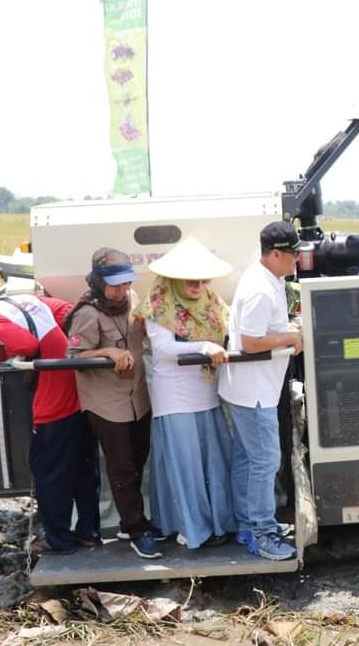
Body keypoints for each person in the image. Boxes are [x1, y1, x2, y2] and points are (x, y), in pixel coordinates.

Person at [0, 294, 99, 554]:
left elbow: (26, 344)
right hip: (75, 378)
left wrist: (16, 354)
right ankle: (89, 533)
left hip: (53, 392)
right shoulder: (20, 300)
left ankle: (59, 540)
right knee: (84, 465)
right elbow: (67, 311)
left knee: (46, 470)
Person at [136, 236, 238, 551]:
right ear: (176, 277)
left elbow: (230, 329)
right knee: (186, 466)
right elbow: (164, 349)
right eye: (191, 277)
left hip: (207, 393)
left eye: (203, 276)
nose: (198, 283)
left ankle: (219, 525)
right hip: (175, 397)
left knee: (213, 463)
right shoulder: (157, 303)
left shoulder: (213, 301)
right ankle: (192, 527)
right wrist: (203, 346)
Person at [64, 247, 160, 559]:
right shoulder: (87, 314)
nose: (122, 291)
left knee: (139, 457)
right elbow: (73, 358)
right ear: (98, 282)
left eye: (126, 283)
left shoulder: (131, 300)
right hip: (107, 403)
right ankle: (136, 530)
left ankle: (128, 521)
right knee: (122, 469)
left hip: (137, 398)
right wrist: (108, 352)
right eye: (116, 285)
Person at [218, 221, 303, 561]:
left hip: (248, 389)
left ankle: (246, 524)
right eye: (294, 254)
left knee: (247, 460)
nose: (297, 259)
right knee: (265, 461)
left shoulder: (269, 279)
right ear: (277, 253)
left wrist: (286, 330)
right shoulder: (260, 289)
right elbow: (251, 341)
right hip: (255, 393)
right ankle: (262, 533)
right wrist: (291, 337)